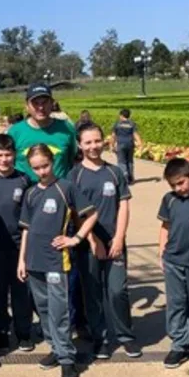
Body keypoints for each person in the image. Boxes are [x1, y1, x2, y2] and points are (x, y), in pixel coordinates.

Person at [17, 144, 98, 377]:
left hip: (56, 261)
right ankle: (55, 348)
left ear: (52, 162)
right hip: (33, 262)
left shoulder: (66, 188)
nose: (41, 171)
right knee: (43, 310)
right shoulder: (30, 193)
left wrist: (76, 238)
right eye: (36, 168)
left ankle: (67, 360)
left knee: (59, 311)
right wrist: (22, 260)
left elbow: (91, 214)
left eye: (45, 165)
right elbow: (26, 229)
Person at [7, 83, 83, 333]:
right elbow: (3, 166)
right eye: (35, 102)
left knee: (65, 268)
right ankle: (36, 323)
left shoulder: (66, 130)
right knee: (29, 267)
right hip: (28, 208)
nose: (40, 106)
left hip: (61, 210)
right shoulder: (16, 132)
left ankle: (68, 322)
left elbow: (73, 159)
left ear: (52, 102)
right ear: (27, 105)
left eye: (45, 101)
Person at [68, 124, 141, 360]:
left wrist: (119, 237)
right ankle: (100, 337)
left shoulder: (115, 173)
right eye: (88, 142)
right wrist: (92, 239)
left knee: (117, 290)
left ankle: (125, 336)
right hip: (87, 245)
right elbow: (75, 212)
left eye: (97, 141)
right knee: (92, 292)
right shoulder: (74, 175)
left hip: (115, 242)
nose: (93, 146)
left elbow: (124, 205)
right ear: (80, 145)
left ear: (105, 141)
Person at [0, 134, 35, 353]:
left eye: (8, 155)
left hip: (20, 246)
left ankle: (23, 332)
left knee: (22, 290)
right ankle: (1, 331)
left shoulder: (24, 180)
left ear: (15, 155)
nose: (4, 160)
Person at [158, 158, 189, 369]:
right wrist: (162, 252)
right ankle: (179, 344)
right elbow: (165, 227)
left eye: (181, 183)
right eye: (173, 185)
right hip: (174, 261)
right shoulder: (170, 200)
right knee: (176, 303)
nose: (178, 189)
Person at [111, 109, 142, 184]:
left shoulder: (117, 124)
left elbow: (113, 136)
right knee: (130, 161)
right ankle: (131, 178)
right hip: (130, 144)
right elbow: (135, 135)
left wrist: (112, 145)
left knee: (121, 161)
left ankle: (124, 176)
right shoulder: (132, 124)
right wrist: (140, 144)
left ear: (121, 115)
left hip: (121, 144)